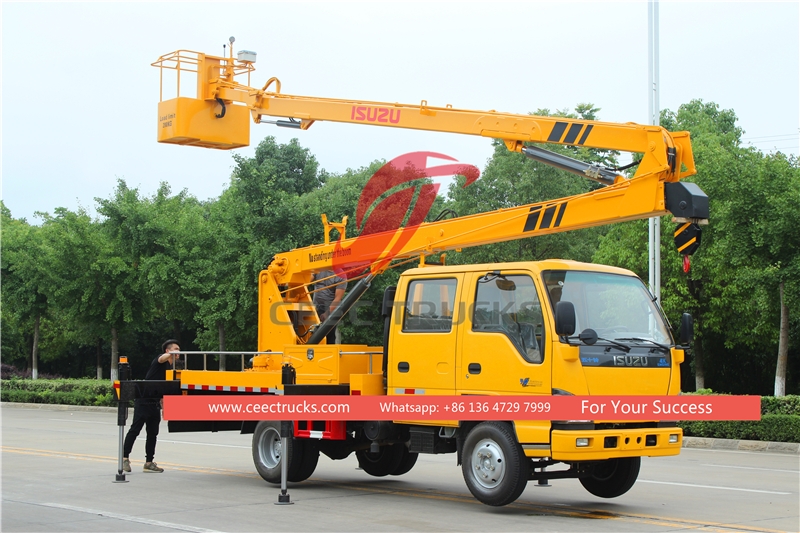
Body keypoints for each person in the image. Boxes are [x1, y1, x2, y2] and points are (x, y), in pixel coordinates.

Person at [122, 339, 180, 473]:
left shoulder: (170, 368)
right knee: (135, 430)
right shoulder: (160, 360)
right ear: (168, 351)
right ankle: (124, 458)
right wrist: (171, 353)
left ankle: (149, 463)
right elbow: (161, 358)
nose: (178, 352)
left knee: (152, 434)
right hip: (143, 401)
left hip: (154, 404)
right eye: (176, 349)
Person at [312, 269, 347, 344]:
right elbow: (307, 280)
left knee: (328, 335)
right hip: (314, 307)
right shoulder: (319, 268)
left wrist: (327, 313)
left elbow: (337, 299)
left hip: (329, 309)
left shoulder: (341, 276)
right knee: (312, 333)